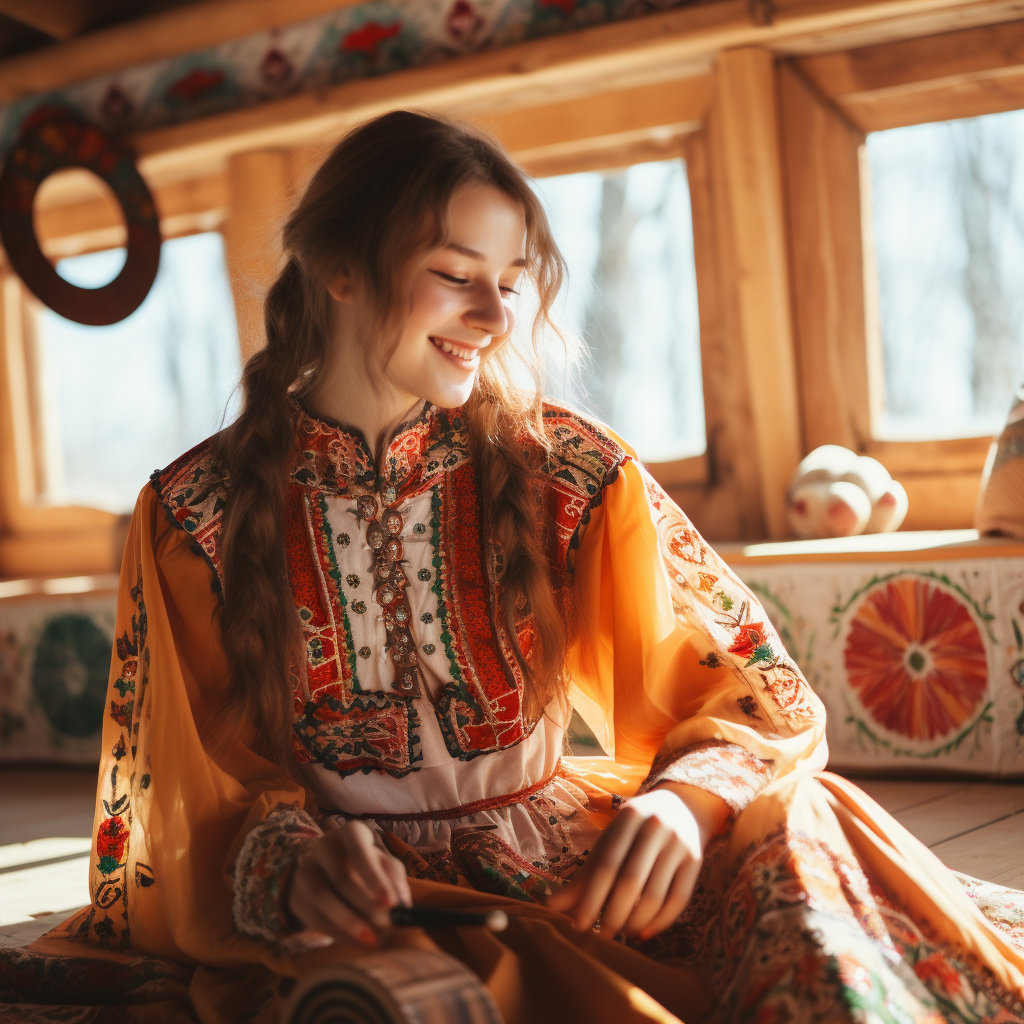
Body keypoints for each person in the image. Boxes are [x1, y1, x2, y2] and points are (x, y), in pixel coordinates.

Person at [16, 110, 1024, 1024]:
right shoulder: (191, 513)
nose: (496, 317)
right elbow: (198, 790)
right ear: (340, 267)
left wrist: (682, 802)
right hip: (373, 916)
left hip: (581, 872)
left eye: (510, 284)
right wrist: (290, 864)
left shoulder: (572, 471)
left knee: (806, 822)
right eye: (458, 275)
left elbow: (754, 696)